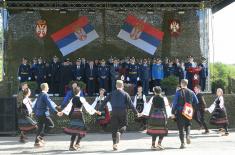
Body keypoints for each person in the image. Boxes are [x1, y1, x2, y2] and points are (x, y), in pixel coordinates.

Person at [99, 80, 140, 151]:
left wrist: (99, 110)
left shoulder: (111, 93)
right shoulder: (125, 94)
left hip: (114, 111)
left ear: (116, 86)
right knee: (124, 125)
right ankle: (120, 132)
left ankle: (114, 144)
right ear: (122, 86)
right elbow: (131, 105)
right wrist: (136, 113)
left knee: (114, 128)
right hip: (123, 112)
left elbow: (104, 101)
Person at [171, 79, 198, 149]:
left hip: (180, 111)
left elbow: (174, 103)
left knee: (181, 128)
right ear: (187, 84)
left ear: (181, 84)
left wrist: (172, 112)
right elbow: (196, 101)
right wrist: (191, 108)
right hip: (188, 111)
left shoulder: (178, 92)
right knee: (188, 124)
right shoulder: (191, 92)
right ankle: (188, 136)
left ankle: (182, 143)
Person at [33, 83, 60, 147]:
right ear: (45, 88)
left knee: (40, 128)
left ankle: (36, 143)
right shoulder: (45, 95)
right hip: (44, 114)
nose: (48, 88)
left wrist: (35, 112)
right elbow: (49, 104)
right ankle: (40, 137)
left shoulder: (39, 95)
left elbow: (35, 105)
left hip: (38, 114)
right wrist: (56, 112)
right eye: (48, 87)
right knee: (51, 125)